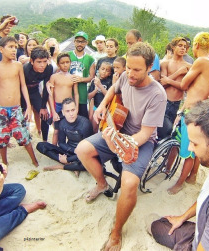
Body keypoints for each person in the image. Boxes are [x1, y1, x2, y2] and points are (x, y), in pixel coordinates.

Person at [76, 42, 167, 250]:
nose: (130, 74)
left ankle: (116, 233)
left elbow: (145, 133)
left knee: (129, 184)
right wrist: (101, 106)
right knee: (81, 149)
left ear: (149, 68)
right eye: (128, 68)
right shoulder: (125, 76)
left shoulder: (157, 94)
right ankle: (101, 184)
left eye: (137, 70)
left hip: (140, 140)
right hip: (116, 126)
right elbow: (113, 90)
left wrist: (119, 143)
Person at [148, 98, 209, 251]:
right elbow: (205, 199)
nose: (190, 148)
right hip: (200, 230)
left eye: (195, 143)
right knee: (158, 226)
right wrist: (183, 217)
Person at [167, 32, 209, 194]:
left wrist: (185, 70)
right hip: (192, 110)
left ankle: (178, 183)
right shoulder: (208, 62)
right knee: (183, 145)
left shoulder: (201, 61)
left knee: (188, 151)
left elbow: (185, 84)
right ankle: (174, 172)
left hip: (191, 112)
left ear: (196, 45)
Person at [0, 36, 38, 167]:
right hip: (1, 110)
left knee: (24, 136)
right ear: (0, 49)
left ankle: (34, 161)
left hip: (16, 108)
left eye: (15, 47)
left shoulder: (17, 66)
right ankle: (4, 163)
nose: (14, 50)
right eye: (10, 47)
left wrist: (27, 106)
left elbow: (23, 86)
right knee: (2, 138)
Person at [37, 97, 93, 177]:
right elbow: (61, 143)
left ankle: (63, 166)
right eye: (67, 111)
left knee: (89, 162)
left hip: (82, 154)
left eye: (73, 110)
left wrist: (67, 159)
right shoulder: (62, 123)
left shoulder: (85, 124)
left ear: (77, 109)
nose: (71, 114)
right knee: (41, 145)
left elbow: (88, 150)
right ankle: (72, 165)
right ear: (63, 112)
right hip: (68, 150)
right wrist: (69, 152)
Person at [158, 37, 192, 139]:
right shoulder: (165, 63)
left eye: (185, 47)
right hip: (164, 101)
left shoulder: (189, 66)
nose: (183, 49)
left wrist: (169, 80)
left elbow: (184, 87)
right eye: (180, 46)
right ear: (173, 47)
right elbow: (162, 84)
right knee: (163, 130)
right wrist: (178, 73)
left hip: (177, 103)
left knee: (172, 133)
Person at [23, 46, 53, 142]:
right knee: (23, 117)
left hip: (35, 91)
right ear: (32, 61)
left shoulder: (48, 68)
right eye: (39, 62)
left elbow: (45, 88)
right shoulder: (26, 69)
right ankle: (25, 139)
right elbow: (20, 87)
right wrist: (26, 106)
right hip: (22, 93)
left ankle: (44, 141)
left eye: (44, 61)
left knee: (45, 115)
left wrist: (43, 107)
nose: (42, 65)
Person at [47, 53, 79, 145]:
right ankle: (53, 149)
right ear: (58, 64)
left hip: (69, 106)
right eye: (62, 63)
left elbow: (76, 94)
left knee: (69, 129)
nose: (65, 65)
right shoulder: (54, 77)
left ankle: (67, 150)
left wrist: (76, 108)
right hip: (58, 106)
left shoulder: (73, 77)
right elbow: (50, 95)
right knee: (57, 130)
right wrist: (53, 111)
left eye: (67, 62)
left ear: (70, 63)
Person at [68, 31, 95, 118]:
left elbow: (92, 77)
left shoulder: (90, 59)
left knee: (82, 118)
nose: (80, 44)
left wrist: (81, 79)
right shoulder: (67, 55)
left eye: (82, 42)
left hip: (82, 94)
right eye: (78, 41)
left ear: (86, 43)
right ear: (74, 42)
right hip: (68, 92)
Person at [88, 61, 112, 132]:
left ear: (110, 73)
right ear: (99, 70)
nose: (104, 71)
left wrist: (100, 86)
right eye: (102, 69)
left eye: (107, 70)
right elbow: (89, 96)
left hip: (106, 109)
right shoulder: (94, 81)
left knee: (104, 129)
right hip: (96, 108)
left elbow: (109, 95)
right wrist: (95, 90)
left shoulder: (109, 82)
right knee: (94, 128)